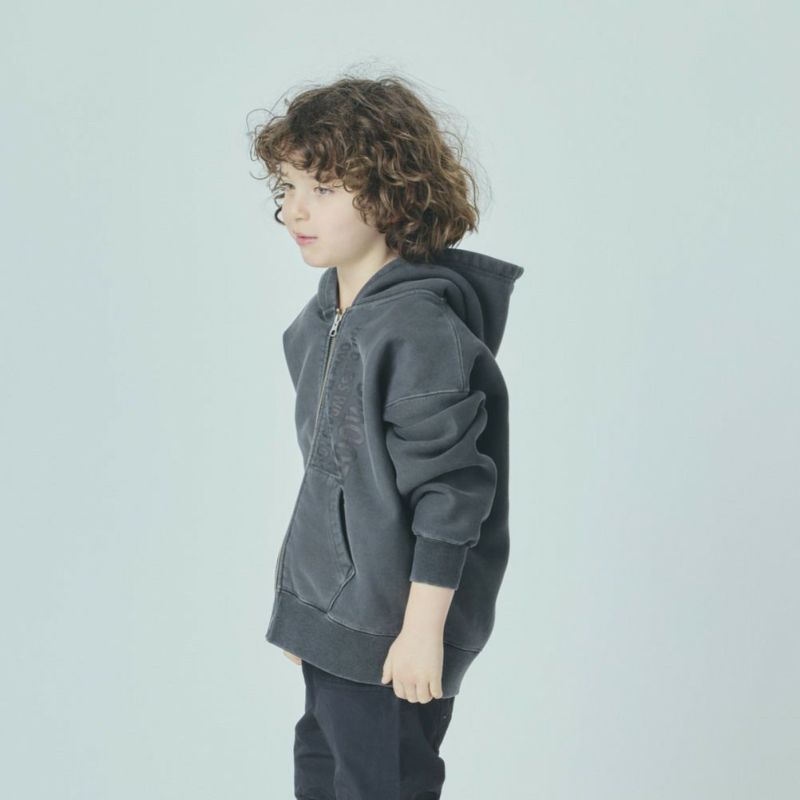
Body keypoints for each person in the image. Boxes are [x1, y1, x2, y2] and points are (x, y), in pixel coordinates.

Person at [249, 73, 524, 800]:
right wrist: (310, 615)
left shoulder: (417, 329)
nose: (295, 209)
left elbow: (452, 492)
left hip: (396, 631)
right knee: (322, 777)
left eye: (323, 188)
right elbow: (332, 479)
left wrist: (422, 631)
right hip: (339, 620)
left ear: (393, 194)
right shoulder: (323, 320)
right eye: (287, 186)